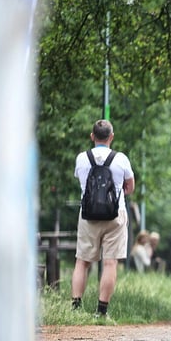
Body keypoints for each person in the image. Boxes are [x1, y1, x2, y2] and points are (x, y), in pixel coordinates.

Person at [70, 119, 136, 320]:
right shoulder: (121, 159)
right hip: (115, 216)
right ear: (111, 137)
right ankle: (101, 311)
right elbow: (130, 188)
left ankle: (76, 307)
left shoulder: (82, 158)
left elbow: (80, 182)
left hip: (88, 216)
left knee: (82, 261)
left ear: (92, 136)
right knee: (110, 263)